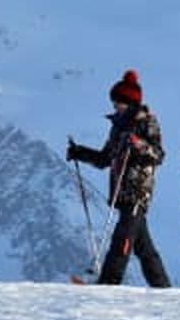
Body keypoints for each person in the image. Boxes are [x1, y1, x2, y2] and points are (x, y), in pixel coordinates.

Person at [67, 70, 170, 287]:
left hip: (137, 190)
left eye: (118, 103)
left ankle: (109, 282)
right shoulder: (118, 128)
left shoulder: (147, 122)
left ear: (129, 102)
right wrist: (80, 152)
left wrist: (140, 145)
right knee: (143, 247)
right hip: (121, 191)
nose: (115, 107)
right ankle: (163, 288)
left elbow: (158, 154)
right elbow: (105, 158)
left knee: (122, 237)